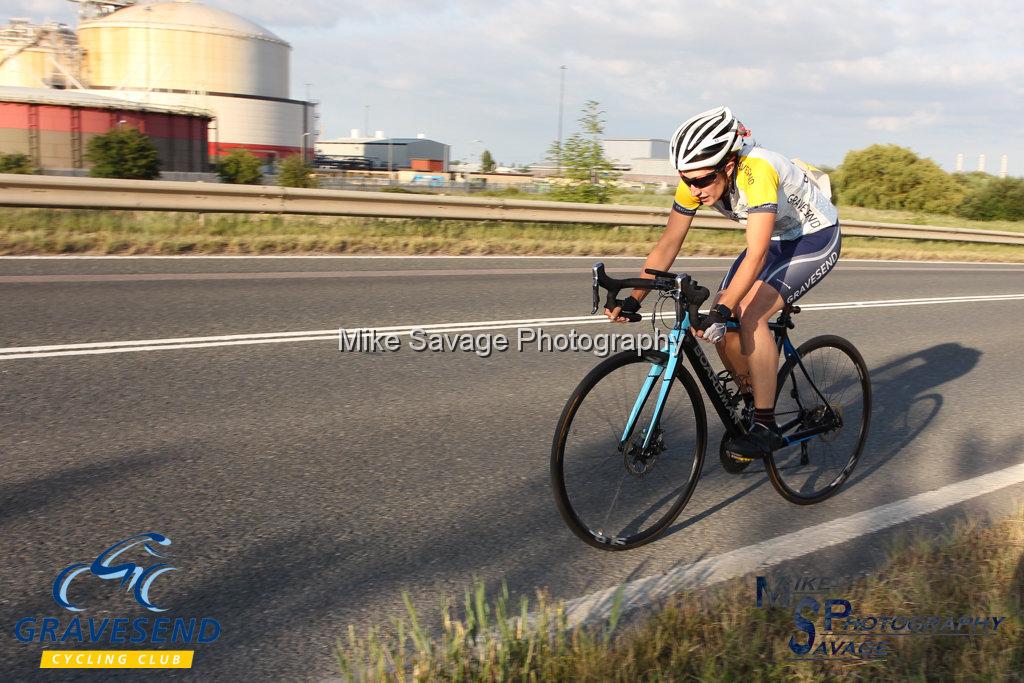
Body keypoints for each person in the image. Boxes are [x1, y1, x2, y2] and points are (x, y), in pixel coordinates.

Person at [604, 106, 841, 458]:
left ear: (728, 166)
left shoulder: (756, 172)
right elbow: (668, 244)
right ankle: (751, 399)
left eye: (700, 180)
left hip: (813, 238)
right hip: (775, 238)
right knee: (718, 321)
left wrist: (726, 306)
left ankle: (766, 425)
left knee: (747, 314)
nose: (693, 189)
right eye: (686, 179)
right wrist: (635, 297)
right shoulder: (694, 182)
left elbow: (757, 253)